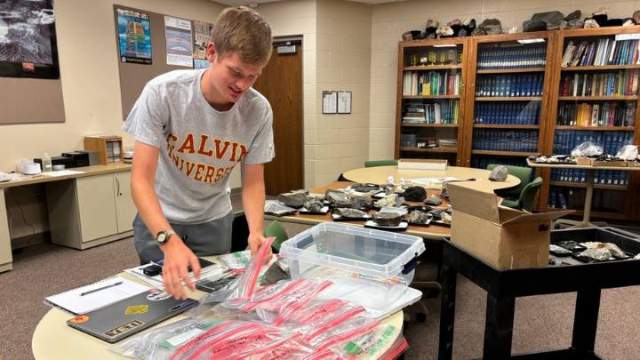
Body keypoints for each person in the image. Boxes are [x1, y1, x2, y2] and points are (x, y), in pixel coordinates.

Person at [122, 6, 274, 299]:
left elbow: (254, 181)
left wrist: (255, 230)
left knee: (209, 300)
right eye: (236, 72)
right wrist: (168, 240)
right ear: (212, 52)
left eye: (252, 77)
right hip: (160, 220)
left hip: (213, 220)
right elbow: (140, 180)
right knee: (161, 300)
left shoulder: (258, 110)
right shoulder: (163, 92)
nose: (242, 85)